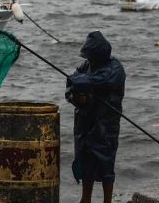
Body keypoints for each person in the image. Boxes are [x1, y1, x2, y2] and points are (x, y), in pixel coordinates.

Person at [65, 31, 126, 203]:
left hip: (106, 125)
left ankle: (107, 201)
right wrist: (78, 98)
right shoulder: (85, 66)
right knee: (85, 163)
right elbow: (70, 86)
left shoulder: (115, 68)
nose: (89, 60)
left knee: (106, 163)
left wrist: (80, 83)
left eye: (91, 56)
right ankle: (85, 199)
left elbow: (98, 80)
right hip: (84, 123)